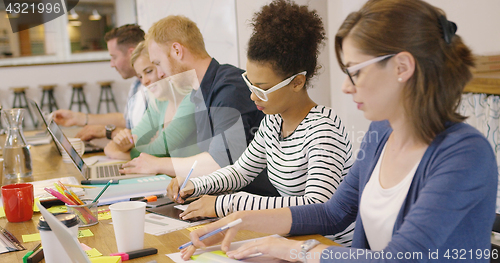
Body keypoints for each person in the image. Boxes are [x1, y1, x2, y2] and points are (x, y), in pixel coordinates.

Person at [180, 0, 498, 262]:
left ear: (402, 67)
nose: (346, 87)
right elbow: (334, 211)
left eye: (355, 72)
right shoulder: (381, 133)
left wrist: (293, 249)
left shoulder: (465, 154)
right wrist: (242, 222)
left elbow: (402, 257)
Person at [167, 0, 354, 246]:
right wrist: (196, 185)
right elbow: (242, 171)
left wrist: (225, 203)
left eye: (262, 89)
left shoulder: (324, 129)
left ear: (297, 82)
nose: (253, 96)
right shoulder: (272, 122)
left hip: (330, 246)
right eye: (250, 84)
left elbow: (315, 207)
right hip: (296, 240)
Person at [120, 15, 278, 197]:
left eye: (158, 64)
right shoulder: (199, 93)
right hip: (230, 197)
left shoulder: (229, 88)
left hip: (261, 203)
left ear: (177, 51)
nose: (161, 74)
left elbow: (221, 162)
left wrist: (156, 164)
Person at [104, 41, 199, 160]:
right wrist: (122, 143)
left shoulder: (191, 98)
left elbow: (160, 149)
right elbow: (135, 138)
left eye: (149, 71)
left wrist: (124, 154)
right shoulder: (160, 102)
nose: (144, 81)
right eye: (140, 76)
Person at [53, 24, 147, 141]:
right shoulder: (137, 85)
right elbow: (126, 120)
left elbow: (150, 137)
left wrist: (106, 131)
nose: (111, 64)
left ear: (131, 53)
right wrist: (78, 118)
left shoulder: (155, 87)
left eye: (114, 57)